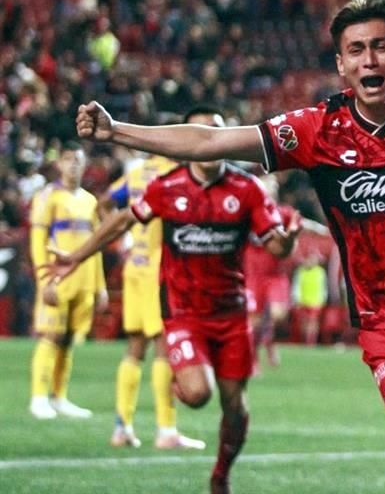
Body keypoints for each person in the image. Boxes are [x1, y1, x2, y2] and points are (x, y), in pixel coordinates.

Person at [71, 0, 385, 494]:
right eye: (356, 49)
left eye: (381, 46)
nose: (370, 59)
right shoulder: (317, 129)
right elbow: (211, 141)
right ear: (341, 64)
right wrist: (117, 131)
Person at [43, 107, 299, 494]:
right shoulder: (168, 186)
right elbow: (123, 219)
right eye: (201, 133)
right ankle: (178, 385)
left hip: (230, 314)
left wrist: (289, 241)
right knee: (197, 394)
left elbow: (276, 246)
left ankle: (221, 474)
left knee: (235, 408)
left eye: (216, 132)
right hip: (183, 311)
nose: (209, 141)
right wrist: (77, 256)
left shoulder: (247, 190)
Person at [99, 152, 205, 449]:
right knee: (163, 348)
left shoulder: (136, 173)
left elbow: (104, 203)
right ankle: (166, 430)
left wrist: (121, 240)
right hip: (160, 268)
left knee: (134, 347)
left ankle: (122, 428)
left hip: (135, 264)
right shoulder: (175, 174)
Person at [28, 141, 108, 420]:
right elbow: (37, 241)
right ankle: (38, 398)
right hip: (57, 280)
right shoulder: (47, 197)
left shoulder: (90, 201)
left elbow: (96, 246)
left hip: (83, 281)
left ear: (85, 164)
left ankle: (59, 397)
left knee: (70, 339)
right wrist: (44, 279)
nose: (74, 164)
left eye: (78, 160)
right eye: (69, 159)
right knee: (51, 335)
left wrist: (100, 286)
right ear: (59, 163)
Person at [243, 174, 302, 369]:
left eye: (273, 189)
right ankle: (254, 359)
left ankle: (270, 341)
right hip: (253, 275)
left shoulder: (284, 214)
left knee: (278, 315)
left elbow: (296, 233)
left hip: (276, 274)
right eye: (267, 189)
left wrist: (293, 236)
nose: (270, 192)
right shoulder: (248, 214)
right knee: (254, 322)